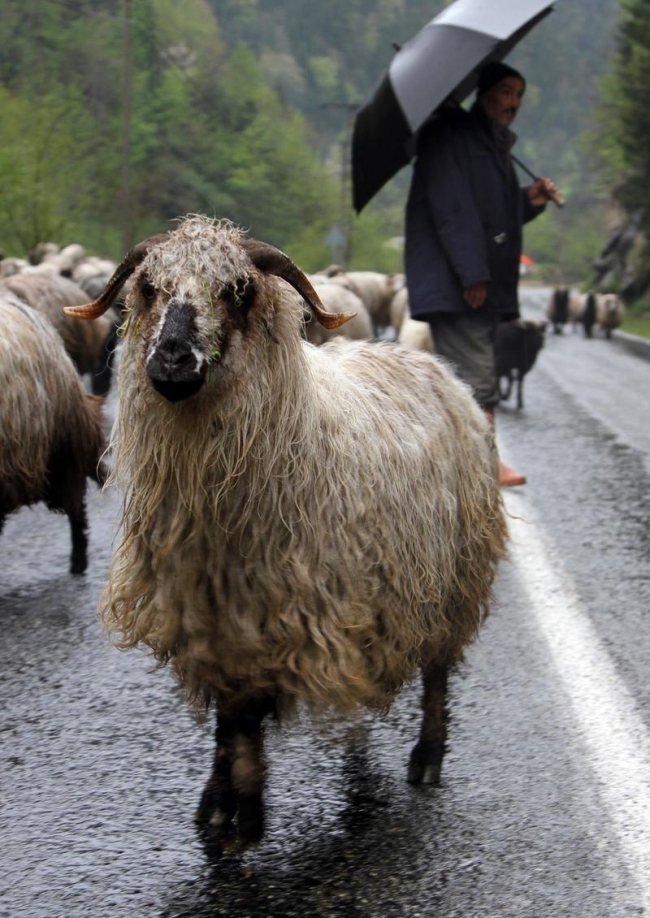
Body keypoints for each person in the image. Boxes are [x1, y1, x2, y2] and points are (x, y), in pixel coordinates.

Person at [404, 61, 558, 486]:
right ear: (484, 93)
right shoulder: (452, 137)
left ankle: (453, 465)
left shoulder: (488, 145)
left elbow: (498, 216)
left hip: (474, 279)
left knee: (465, 372)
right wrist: (472, 273)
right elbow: (453, 209)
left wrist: (531, 198)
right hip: (459, 281)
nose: (513, 103)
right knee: (475, 373)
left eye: (518, 95)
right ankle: (483, 464)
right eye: (505, 92)